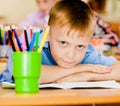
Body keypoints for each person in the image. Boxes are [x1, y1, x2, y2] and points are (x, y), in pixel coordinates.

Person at [0, 0, 120, 84]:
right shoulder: (29, 46)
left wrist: (89, 75)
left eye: (80, 46)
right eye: (63, 43)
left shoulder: (88, 51)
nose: (70, 54)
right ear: (48, 33)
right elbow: (27, 74)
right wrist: (79, 68)